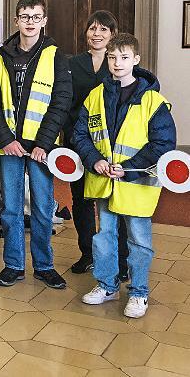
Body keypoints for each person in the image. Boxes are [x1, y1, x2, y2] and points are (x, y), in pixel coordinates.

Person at [74, 33, 176, 318]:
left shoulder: (153, 101)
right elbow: (80, 133)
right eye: (112, 57)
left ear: (136, 60)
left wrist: (130, 165)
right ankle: (107, 285)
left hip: (137, 183)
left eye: (124, 57)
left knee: (138, 240)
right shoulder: (96, 96)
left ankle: (139, 291)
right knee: (104, 236)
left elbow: (163, 143)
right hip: (104, 180)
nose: (117, 63)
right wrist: (94, 160)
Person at [0, 0, 72, 289]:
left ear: (44, 21)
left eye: (36, 17)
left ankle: (45, 266)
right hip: (10, 146)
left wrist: (44, 144)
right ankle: (14, 265)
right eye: (25, 16)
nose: (30, 22)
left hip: (40, 148)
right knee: (10, 210)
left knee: (43, 208)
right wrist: (5, 139)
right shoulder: (0, 56)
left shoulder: (56, 55)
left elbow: (61, 102)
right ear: (16, 20)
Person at [66, 11, 129, 278]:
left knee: (115, 202)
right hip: (78, 139)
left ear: (112, 35)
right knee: (81, 199)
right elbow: (65, 99)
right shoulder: (73, 63)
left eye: (103, 29)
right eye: (92, 28)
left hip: (110, 142)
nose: (97, 34)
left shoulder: (118, 63)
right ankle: (88, 253)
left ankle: (121, 259)